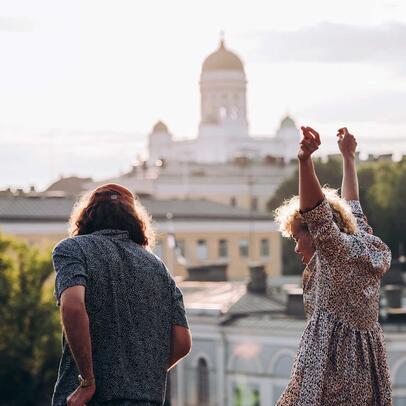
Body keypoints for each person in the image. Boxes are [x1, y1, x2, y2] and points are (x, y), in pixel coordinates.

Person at [274, 127, 392, 405]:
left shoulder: (335, 253)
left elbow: (315, 211)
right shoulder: (360, 243)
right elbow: (353, 205)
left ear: (316, 233)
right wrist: (348, 157)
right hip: (366, 371)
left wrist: (305, 160)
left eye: (297, 236)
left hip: (331, 375)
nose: (296, 247)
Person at [51, 183, 191, 406]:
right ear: (135, 219)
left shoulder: (72, 249)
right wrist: (142, 376)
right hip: (146, 399)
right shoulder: (158, 267)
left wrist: (88, 380)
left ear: (87, 216)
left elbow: (73, 306)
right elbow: (182, 341)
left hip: (89, 399)